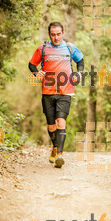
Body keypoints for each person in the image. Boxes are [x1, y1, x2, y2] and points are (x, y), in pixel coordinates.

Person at [28, 21, 84, 168]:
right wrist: (36, 72)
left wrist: (79, 72)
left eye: (59, 34)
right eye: (53, 35)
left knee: (61, 122)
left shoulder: (70, 48)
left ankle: (60, 154)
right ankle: (54, 148)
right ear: (49, 34)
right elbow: (31, 64)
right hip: (47, 91)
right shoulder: (43, 49)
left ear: (63, 33)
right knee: (52, 126)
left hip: (66, 91)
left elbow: (80, 60)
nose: (56, 37)